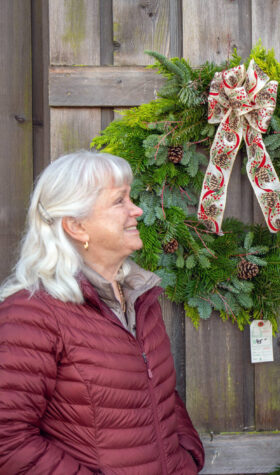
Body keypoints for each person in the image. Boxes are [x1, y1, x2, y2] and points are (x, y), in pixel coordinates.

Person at [0, 151, 205, 474]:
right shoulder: (30, 315)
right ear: (77, 226)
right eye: (118, 201)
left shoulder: (139, 297)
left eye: (130, 198)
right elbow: (8, 441)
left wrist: (187, 458)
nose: (136, 210)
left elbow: (161, 396)